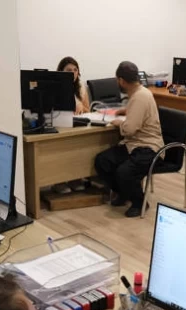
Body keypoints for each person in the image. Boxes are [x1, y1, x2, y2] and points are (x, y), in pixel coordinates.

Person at [94, 61, 164, 218]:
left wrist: (119, 123)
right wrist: (126, 111)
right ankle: (125, 193)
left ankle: (140, 203)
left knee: (124, 172)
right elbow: (138, 112)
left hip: (148, 147)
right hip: (135, 144)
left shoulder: (139, 97)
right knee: (103, 161)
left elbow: (130, 129)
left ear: (121, 80)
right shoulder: (140, 93)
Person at [52, 56, 90, 194]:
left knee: (79, 148)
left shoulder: (80, 87)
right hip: (60, 126)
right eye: (69, 70)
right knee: (62, 150)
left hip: (77, 125)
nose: (73, 73)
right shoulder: (54, 87)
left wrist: (80, 106)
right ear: (61, 71)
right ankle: (59, 181)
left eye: (75, 70)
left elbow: (88, 110)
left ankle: (75, 178)